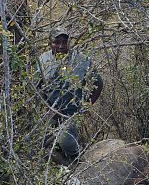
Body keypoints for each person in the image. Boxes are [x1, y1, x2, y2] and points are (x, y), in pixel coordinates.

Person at [37, 27, 103, 163]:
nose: (61, 46)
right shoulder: (42, 60)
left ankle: (77, 163)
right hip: (49, 111)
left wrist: (86, 105)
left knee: (66, 142)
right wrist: (46, 107)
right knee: (41, 144)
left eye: (64, 42)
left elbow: (98, 83)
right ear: (50, 43)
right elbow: (36, 86)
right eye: (57, 42)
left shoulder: (81, 60)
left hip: (71, 112)